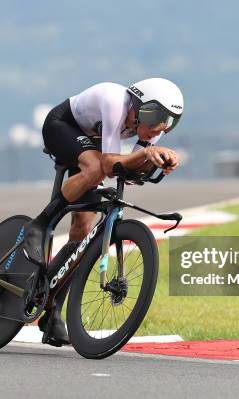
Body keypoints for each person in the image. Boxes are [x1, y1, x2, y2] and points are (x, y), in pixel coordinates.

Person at [24, 78, 184, 346]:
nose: (160, 127)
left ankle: (51, 310)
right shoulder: (114, 101)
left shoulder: (153, 131)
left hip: (92, 145)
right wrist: (145, 155)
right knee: (96, 168)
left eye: (169, 121)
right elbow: (110, 165)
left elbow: (129, 173)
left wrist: (158, 163)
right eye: (156, 117)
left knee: (82, 233)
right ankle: (40, 224)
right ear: (139, 106)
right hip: (62, 127)